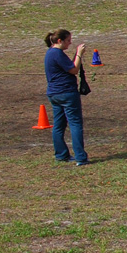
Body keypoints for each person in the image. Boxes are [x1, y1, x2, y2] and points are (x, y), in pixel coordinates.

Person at [44, 29, 89, 166]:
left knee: (59, 125)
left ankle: (61, 154)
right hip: (67, 93)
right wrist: (79, 54)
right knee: (75, 124)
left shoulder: (50, 53)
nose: (70, 43)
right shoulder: (58, 54)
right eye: (68, 40)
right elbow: (74, 69)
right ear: (59, 41)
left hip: (54, 94)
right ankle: (80, 157)